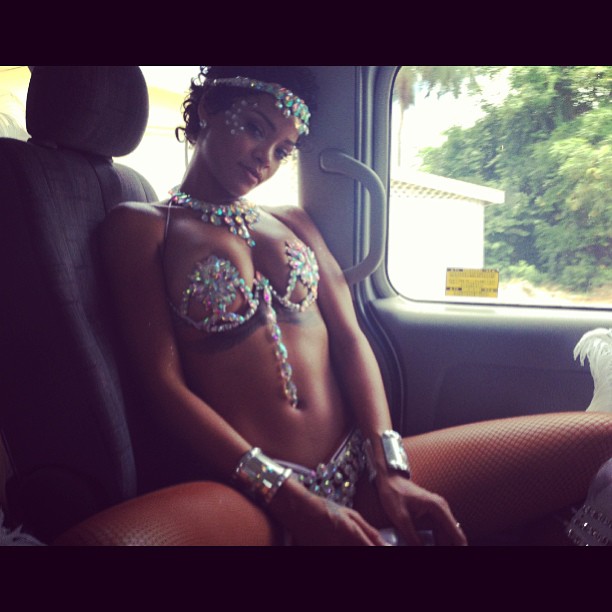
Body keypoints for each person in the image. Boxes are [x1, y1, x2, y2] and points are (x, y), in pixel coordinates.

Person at [100, 66, 612, 546]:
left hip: (359, 470)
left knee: (602, 440)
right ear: (208, 108)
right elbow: (163, 386)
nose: (266, 159)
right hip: (246, 494)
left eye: (284, 150)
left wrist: (390, 469)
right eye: (255, 129)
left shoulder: (293, 222)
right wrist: (287, 498)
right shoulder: (142, 227)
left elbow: (349, 340)